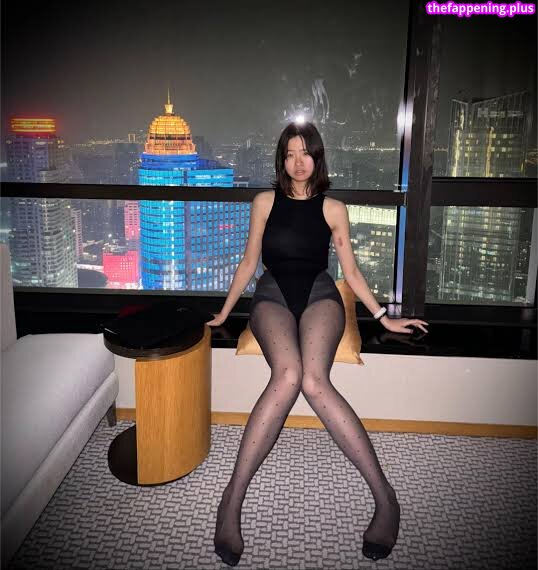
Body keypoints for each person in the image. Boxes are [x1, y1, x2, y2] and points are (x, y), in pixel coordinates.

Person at [207, 122, 429, 566]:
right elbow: (249, 262)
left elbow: (352, 272)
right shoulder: (264, 202)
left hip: (319, 294)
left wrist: (385, 317)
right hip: (272, 294)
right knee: (287, 375)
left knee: (313, 380)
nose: (298, 162)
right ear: (281, 160)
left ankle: (385, 498)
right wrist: (225, 313)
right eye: (290, 154)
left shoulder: (333, 208)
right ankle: (232, 499)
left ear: (317, 158)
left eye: (305, 153)